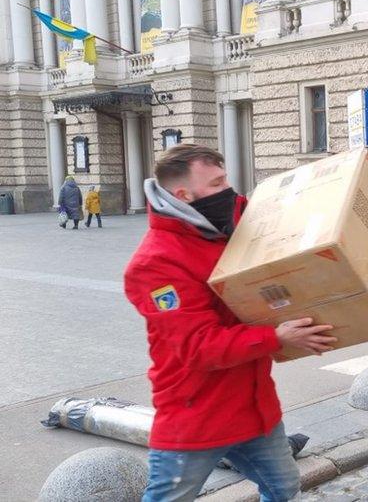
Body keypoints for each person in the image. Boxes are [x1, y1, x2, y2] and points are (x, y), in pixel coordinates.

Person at [124, 144, 338, 501]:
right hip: (197, 414)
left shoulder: (229, 225)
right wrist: (276, 337)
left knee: (284, 487)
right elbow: (198, 346)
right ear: (183, 194)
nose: (229, 190)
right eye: (217, 183)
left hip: (253, 407)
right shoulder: (155, 263)